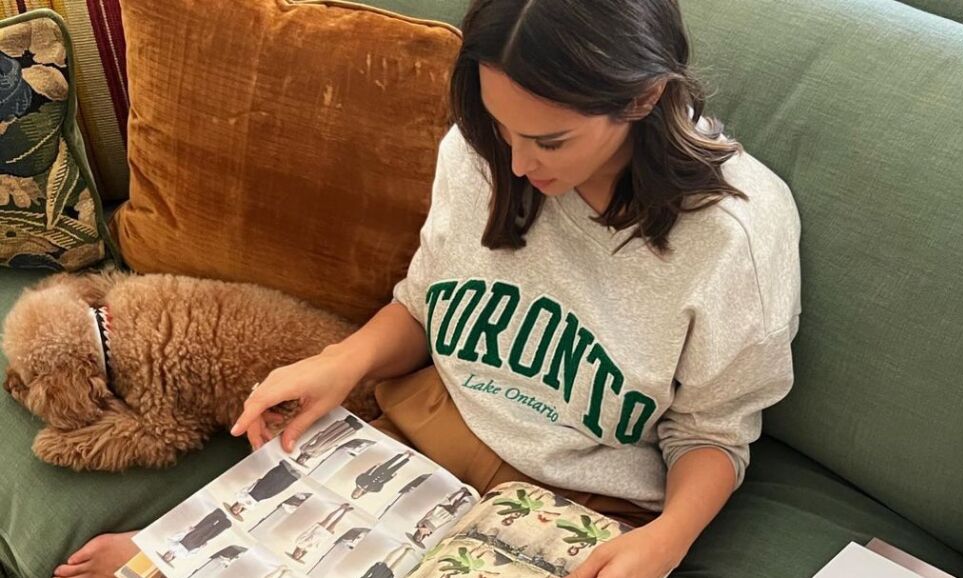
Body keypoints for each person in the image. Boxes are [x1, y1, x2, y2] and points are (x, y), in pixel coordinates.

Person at [54, 1, 801, 577]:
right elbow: (425, 301)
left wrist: (668, 541)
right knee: (178, 563)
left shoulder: (733, 234)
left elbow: (713, 433)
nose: (517, 165)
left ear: (643, 99)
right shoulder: (480, 148)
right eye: (503, 130)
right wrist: (339, 364)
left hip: (577, 498)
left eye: (550, 141)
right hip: (421, 432)